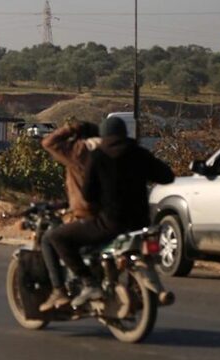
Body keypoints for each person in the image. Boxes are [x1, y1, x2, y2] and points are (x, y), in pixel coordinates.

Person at [48, 116, 174, 307]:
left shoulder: (99, 156)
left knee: (57, 237)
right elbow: (167, 176)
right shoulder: (139, 153)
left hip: (111, 223)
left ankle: (89, 283)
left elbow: (89, 194)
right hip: (140, 222)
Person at [36, 120, 100, 312]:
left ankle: (59, 290)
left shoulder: (78, 153)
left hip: (87, 217)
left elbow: (48, 142)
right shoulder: (109, 155)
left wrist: (71, 127)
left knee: (50, 239)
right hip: (112, 215)